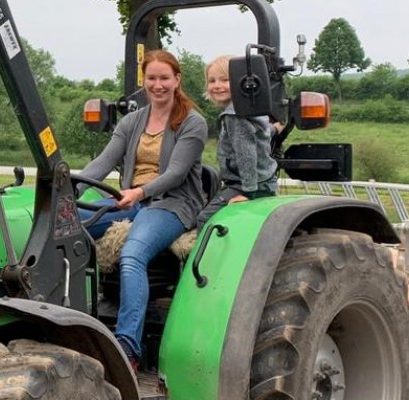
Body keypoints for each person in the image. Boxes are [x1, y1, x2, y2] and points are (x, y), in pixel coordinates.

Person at [77, 49, 207, 369]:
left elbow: (176, 173)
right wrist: (70, 189)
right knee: (68, 224)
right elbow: (104, 162)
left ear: (177, 80)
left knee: (133, 254)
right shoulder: (133, 120)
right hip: (131, 199)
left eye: (165, 78)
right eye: (152, 78)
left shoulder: (193, 122)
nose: (158, 84)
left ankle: (127, 350)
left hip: (172, 204)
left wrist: (140, 191)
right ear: (143, 80)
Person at [196, 55, 278, 227]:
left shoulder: (234, 116)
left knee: (206, 220)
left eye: (225, 80)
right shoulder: (250, 109)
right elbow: (261, 133)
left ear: (240, 83)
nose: (217, 86)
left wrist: (248, 194)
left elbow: (246, 153)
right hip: (263, 182)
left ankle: (212, 255)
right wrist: (275, 128)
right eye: (212, 81)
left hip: (248, 185)